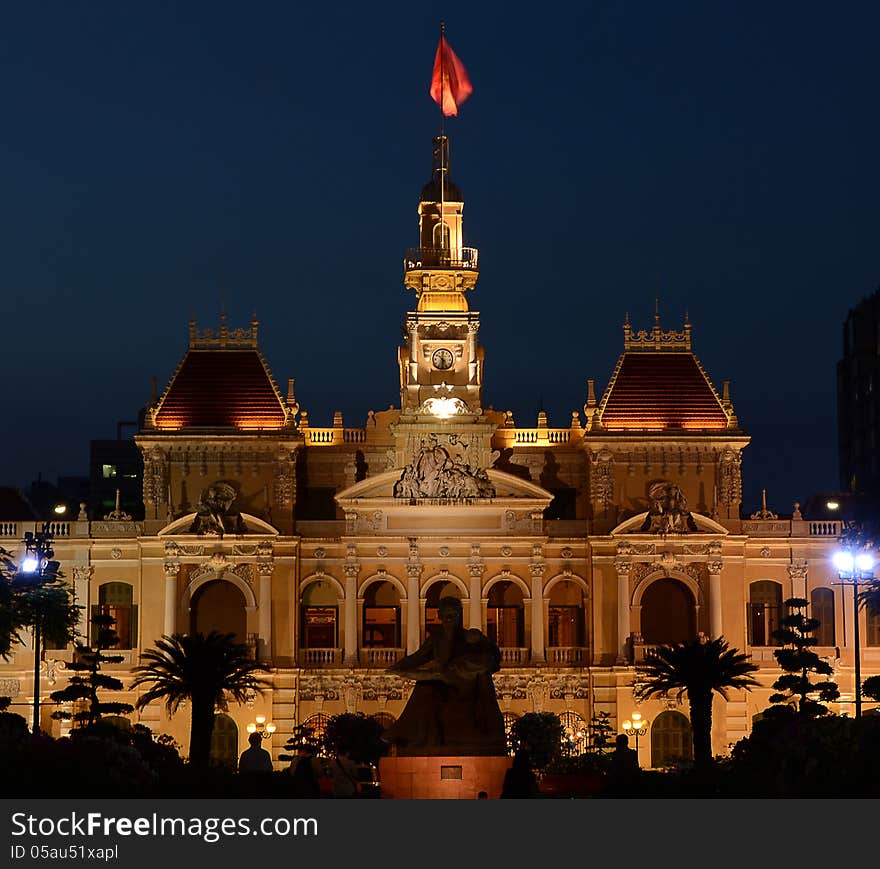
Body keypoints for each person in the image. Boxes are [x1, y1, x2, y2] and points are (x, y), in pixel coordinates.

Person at [383, 596, 507, 756]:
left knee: (473, 680)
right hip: (444, 682)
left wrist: (483, 640)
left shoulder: (469, 637)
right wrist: (398, 667)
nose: (449, 620)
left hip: (466, 683)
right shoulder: (436, 639)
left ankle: (412, 735)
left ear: (460, 615)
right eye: (446, 616)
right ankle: (418, 736)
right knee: (424, 687)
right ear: (439, 616)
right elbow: (417, 657)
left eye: (453, 615)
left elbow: (493, 656)